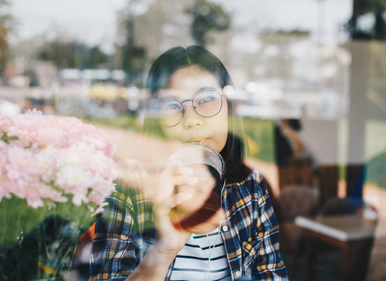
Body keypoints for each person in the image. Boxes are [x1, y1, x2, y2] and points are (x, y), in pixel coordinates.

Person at [89, 46, 288, 280]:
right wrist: (163, 250)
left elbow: (272, 274)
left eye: (206, 100)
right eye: (172, 105)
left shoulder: (250, 186)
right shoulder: (127, 186)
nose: (192, 121)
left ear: (229, 109)